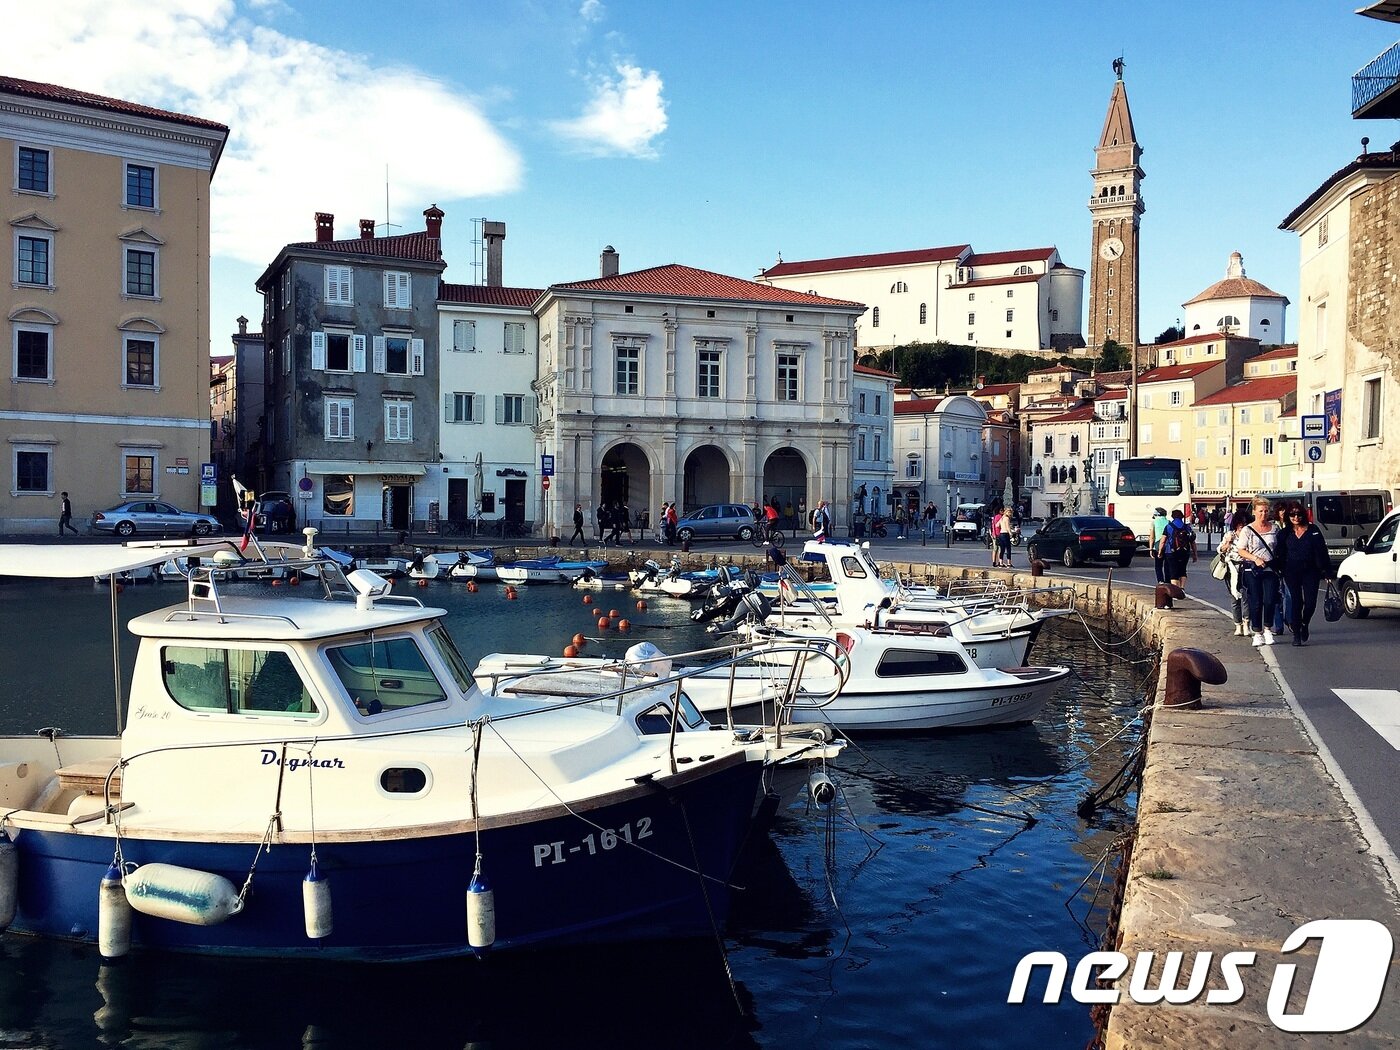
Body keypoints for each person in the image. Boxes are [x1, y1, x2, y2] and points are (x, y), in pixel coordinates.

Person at [1275, 502, 1333, 646]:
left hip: (1311, 571)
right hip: (1291, 571)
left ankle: (1304, 623)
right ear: (1288, 516)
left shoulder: (1313, 530)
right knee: (1296, 601)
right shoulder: (1284, 533)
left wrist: (1327, 572)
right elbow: (1279, 554)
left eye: (1299, 514)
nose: (1296, 517)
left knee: (1311, 602)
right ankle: (1296, 634)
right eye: (1292, 514)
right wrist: (1278, 569)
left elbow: (1322, 552)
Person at [1234, 496, 1279, 647]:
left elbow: (1279, 547)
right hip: (1253, 569)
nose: (1263, 514)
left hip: (1270, 568)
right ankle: (1257, 632)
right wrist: (1255, 558)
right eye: (1260, 511)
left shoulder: (1274, 528)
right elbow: (1241, 550)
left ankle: (1267, 628)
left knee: (1270, 599)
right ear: (1254, 512)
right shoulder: (1247, 530)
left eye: (1266, 511)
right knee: (1256, 600)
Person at [1217, 510, 1250, 635]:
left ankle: (1247, 623)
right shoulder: (1229, 535)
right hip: (1232, 568)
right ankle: (1238, 625)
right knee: (1234, 597)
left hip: (1246, 567)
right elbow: (1220, 550)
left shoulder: (1250, 535)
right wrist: (1228, 542)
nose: (1242, 527)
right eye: (1240, 525)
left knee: (1247, 597)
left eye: (1245, 524)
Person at [1159, 508, 1197, 590]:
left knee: (1173, 571)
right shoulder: (1187, 527)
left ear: (1173, 517)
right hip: (1185, 551)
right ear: (1182, 517)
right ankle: (1182, 588)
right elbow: (1192, 542)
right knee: (1183, 570)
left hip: (1171, 552)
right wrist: (1194, 554)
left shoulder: (1169, 527)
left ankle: (1176, 590)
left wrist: (1160, 552)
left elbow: (1162, 541)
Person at [1270, 502, 1293, 635]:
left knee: (1289, 595)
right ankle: (1278, 626)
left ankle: (1289, 619)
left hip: (1287, 565)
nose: (1283, 513)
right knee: (1275, 597)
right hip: (1273, 564)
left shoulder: (1291, 527)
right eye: (1280, 510)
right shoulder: (1273, 527)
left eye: (1285, 510)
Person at [1150, 507, 1169, 584]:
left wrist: (1151, 549)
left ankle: (1161, 581)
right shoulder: (1168, 522)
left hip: (1158, 544)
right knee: (1167, 565)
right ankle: (1168, 581)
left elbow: (1152, 536)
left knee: (1158, 565)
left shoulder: (1154, 522)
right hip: (1168, 545)